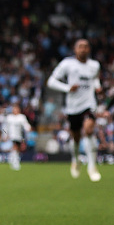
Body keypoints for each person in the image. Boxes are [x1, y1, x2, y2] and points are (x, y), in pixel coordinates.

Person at [46, 38, 102, 182]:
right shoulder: (67, 64)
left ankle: (92, 166)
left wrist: (98, 86)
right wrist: (67, 88)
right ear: (75, 49)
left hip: (89, 104)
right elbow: (51, 81)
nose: (83, 49)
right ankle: (75, 159)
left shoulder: (95, 65)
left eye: (86, 46)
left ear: (89, 50)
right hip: (73, 106)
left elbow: (95, 79)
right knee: (76, 137)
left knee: (89, 130)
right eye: (80, 47)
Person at [0, 101, 31, 171]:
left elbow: (26, 125)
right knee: (15, 147)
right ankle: (15, 163)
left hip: (19, 136)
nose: (15, 110)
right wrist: (5, 135)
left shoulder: (21, 117)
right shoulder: (9, 117)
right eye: (14, 109)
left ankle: (14, 160)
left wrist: (28, 128)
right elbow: (5, 128)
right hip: (11, 136)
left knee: (17, 149)